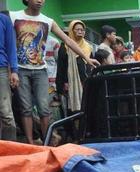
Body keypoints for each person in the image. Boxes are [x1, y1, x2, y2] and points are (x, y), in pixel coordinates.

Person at [11, 0, 99, 145]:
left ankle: (47, 142)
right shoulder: (14, 16)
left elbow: (68, 41)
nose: (40, 0)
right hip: (20, 70)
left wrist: (86, 59)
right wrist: (10, 69)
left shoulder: (48, 21)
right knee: (25, 108)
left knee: (44, 108)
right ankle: (30, 142)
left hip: (40, 70)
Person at [56, 20, 92, 114]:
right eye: (77, 29)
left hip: (85, 82)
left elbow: (90, 65)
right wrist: (64, 83)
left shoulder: (88, 47)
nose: (80, 31)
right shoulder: (65, 46)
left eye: (82, 29)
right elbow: (61, 66)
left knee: (87, 106)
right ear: (72, 31)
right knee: (72, 109)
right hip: (70, 83)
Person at [0, 9, 18, 140]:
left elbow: (11, 47)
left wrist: (14, 71)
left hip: (1, 69)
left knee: (6, 112)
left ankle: (11, 150)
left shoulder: (4, 19)